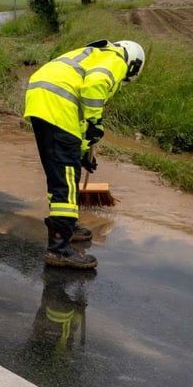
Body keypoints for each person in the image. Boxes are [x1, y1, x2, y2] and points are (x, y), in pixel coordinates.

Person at [24, 39, 146, 269]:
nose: (123, 83)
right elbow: (94, 86)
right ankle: (58, 248)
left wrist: (83, 150)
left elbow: (79, 115)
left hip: (44, 99)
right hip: (57, 104)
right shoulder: (117, 59)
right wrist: (96, 122)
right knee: (67, 179)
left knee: (62, 174)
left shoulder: (95, 54)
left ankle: (65, 228)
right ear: (133, 65)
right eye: (127, 79)